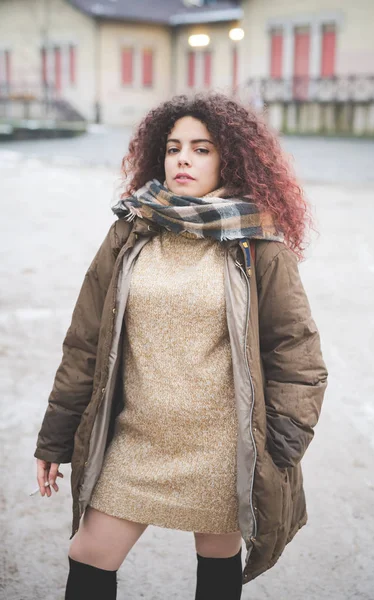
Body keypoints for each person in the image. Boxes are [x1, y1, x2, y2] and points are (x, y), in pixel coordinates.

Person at [34, 92, 328, 600]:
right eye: (173, 149)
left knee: (217, 568)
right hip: (136, 439)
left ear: (229, 159)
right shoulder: (130, 231)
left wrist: (276, 449)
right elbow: (84, 343)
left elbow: (298, 358)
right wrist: (56, 438)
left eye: (201, 149)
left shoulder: (258, 244)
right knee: (88, 554)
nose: (184, 160)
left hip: (223, 451)